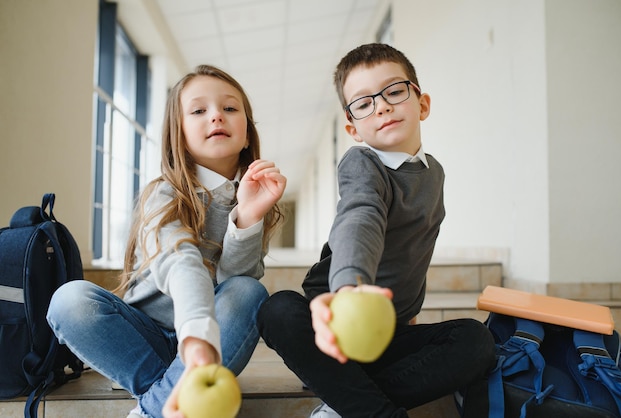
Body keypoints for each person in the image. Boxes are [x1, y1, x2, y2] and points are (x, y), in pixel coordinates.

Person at [256, 43, 495, 418]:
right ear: (353, 128)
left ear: (423, 104)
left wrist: (410, 313)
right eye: (363, 103)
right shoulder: (362, 163)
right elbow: (360, 217)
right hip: (330, 332)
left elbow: (416, 246)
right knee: (278, 309)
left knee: (475, 339)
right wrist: (349, 286)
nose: (381, 105)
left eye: (394, 91)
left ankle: (346, 401)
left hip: (386, 333)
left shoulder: (435, 173)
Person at [47, 64, 286, 418]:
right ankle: (176, 389)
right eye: (199, 110)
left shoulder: (255, 194)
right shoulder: (162, 194)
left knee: (248, 292)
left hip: (213, 343)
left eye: (230, 108)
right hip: (150, 337)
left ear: (248, 133)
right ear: (179, 133)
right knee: (71, 301)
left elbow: (235, 279)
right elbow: (182, 263)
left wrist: (248, 216)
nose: (217, 116)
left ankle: (155, 405)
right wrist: (197, 336)